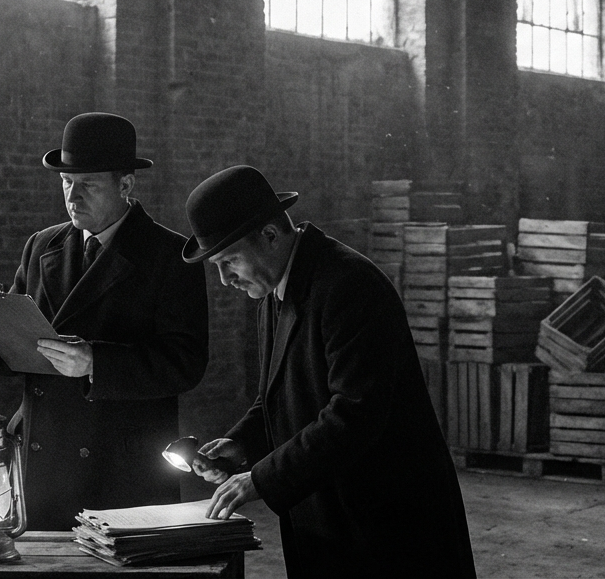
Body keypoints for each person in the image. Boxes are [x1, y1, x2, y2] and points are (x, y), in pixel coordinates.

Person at [181, 165, 476, 578]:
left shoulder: (348, 285)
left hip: (386, 527)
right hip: (331, 520)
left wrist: (260, 480)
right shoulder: (275, 287)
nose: (224, 279)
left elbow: (354, 414)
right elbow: (278, 396)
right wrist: (241, 443)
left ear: (269, 235)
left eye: (229, 261)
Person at [0, 112, 209, 529]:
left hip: (122, 462)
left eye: (88, 185)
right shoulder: (42, 245)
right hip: (47, 458)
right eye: (67, 183)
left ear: (125, 185)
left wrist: (95, 363)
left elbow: (186, 361)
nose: (73, 196)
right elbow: (7, 346)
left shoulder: (169, 256)